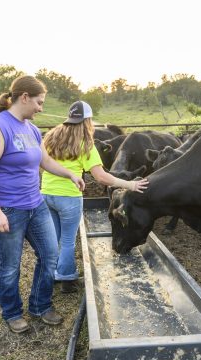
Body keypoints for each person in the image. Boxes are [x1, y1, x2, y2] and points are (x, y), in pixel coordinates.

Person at [0, 76, 85, 334]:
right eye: (39, 102)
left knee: (50, 254)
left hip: (35, 204)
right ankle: (12, 312)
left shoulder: (31, 129)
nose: (41, 108)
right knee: (10, 264)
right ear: (24, 97)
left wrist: (69, 174)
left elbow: (44, 161)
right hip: (8, 209)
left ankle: (40, 305)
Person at [41, 101, 148, 293]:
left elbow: (42, 163)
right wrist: (130, 184)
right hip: (68, 196)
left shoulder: (50, 137)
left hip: (46, 194)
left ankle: (52, 275)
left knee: (54, 238)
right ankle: (67, 279)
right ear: (87, 121)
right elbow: (101, 177)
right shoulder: (85, 144)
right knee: (67, 240)